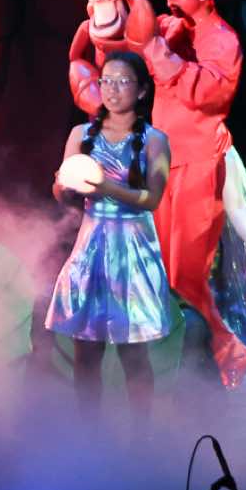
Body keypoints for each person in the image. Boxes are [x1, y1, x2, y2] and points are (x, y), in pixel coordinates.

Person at [121, 0, 246, 389]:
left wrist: (159, 51)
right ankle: (187, 355)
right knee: (161, 263)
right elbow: (126, 43)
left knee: (187, 268)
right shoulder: (170, 28)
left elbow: (209, 94)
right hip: (163, 159)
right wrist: (108, 5)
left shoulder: (223, 40)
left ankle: (220, 349)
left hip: (198, 161)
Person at [45, 51, 171, 414]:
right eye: (106, 81)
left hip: (133, 249)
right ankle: (90, 435)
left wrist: (105, 186)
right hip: (92, 247)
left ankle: (141, 436)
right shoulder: (80, 135)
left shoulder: (155, 140)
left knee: (133, 353)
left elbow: (152, 199)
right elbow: (62, 193)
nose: (112, 90)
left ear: (142, 90)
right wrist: (64, 185)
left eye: (122, 81)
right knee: (86, 352)